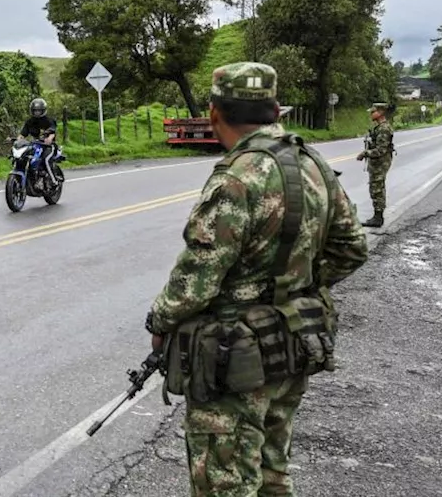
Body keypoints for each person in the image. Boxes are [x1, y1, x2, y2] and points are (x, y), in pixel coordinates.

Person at [144, 62, 369, 496]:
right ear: (274, 109)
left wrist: (159, 324)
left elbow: (197, 280)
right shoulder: (312, 163)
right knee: (271, 473)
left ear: (214, 113)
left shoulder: (237, 178)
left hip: (235, 357)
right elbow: (352, 247)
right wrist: (295, 285)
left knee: (224, 483)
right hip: (293, 341)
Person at [356, 102, 395, 228]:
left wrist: (365, 153)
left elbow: (381, 150)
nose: (371, 114)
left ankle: (378, 218)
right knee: (376, 188)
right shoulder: (379, 128)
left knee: (377, 189)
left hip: (380, 163)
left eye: (373, 112)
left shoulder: (384, 129)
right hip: (377, 163)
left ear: (381, 112)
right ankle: (377, 216)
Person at [19, 97, 61, 187]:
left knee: (46, 159)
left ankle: (54, 181)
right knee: (25, 157)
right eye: (35, 110)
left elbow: (53, 131)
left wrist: (49, 138)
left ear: (43, 110)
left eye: (39, 111)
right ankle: (31, 177)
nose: (37, 113)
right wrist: (18, 140)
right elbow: (23, 134)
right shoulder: (30, 122)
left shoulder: (49, 120)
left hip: (49, 146)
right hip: (35, 145)